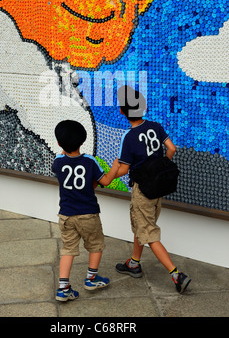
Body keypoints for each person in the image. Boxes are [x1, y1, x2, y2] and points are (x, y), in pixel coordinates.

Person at [114, 85, 191, 293]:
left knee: (149, 233)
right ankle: (134, 263)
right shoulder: (156, 126)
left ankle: (176, 275)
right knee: (144, 226)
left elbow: (124, 169)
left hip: (143, 191)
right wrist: (161, 167)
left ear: (122, 112)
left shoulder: (128, 137)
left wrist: (110, 173)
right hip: (158, 190)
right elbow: (171, 149)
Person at [52, 119, 120, 302]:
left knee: (68, 249)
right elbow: (104, 181)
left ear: (59, 143)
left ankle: (63, 288)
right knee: (96, 244)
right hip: (88, 214)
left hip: (65, 215)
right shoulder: (90, 161)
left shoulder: (57, 163)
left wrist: (64, 147)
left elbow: (62, 161)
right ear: (82, 141)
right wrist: (114, 169)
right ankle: (91, 278)